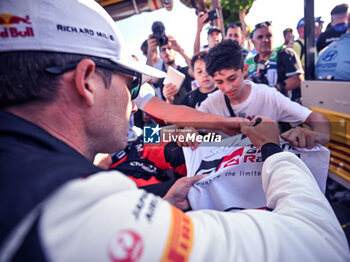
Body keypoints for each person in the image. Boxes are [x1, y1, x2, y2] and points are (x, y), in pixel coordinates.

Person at [2, 1, 350, 262]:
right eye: (133, 83)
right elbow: (322, 245)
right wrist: (271, 149)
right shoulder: (77, 208)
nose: (136, 102)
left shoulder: (25, 175)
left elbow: (175, 118)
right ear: (86, 82)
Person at [200, 40, 330, 149]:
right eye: (219, 82)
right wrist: (189, 132)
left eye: (232, 78)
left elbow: (317, 119)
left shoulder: (268, 96)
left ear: (244, 69)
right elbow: (186, 127)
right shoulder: (212, 102)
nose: (227, 87)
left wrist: (314, 135)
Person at [245, 21, 304, 103]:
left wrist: (275, 89)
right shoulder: (248, 63)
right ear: (253, 42)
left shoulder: (285, 53)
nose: (265, 40)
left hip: (284, 108)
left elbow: (298, 79)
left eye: (268, 36)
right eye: (260, 37)